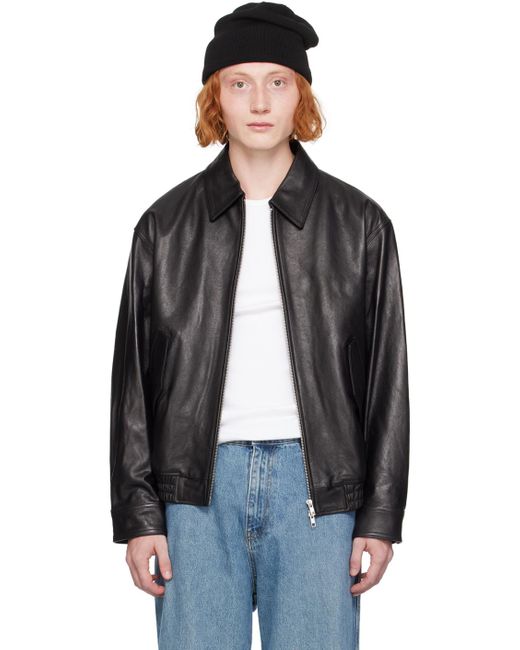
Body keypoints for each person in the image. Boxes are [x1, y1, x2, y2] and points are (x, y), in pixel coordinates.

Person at [109, 3, 410, 648]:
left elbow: (388, 382)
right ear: (215, 98)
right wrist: (139, 515)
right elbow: (133, 382)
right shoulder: (164, 227)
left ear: (301, 95)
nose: (260, 102)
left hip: (318, 495)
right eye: (239, 82)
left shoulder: (360, 225)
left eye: (278, 81)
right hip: (193, 494)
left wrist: (380, 517)